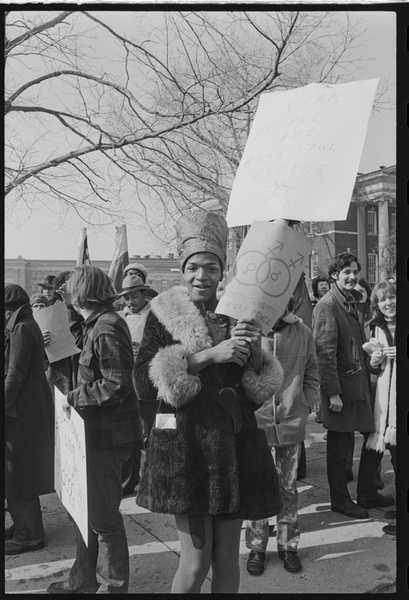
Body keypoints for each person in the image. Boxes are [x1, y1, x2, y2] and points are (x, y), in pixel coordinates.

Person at [133, 210, 284, 594]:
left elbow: (253, 390)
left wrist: (253, 352)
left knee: (226, 561)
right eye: (194, 268)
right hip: (189, 454)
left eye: (212, 268)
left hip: (233, 450)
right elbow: (142, 385)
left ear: (222, 271)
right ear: (182, 271)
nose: (203, 276)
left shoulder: (238, 313)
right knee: (196, 562)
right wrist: (206, 357)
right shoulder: (162, 316)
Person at [46, 266, 143, 594]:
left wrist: (74, 398)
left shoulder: (106, 327)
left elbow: (118, 383)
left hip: (105, 438)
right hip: (91, 436)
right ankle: (83, 581)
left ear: (82, 294)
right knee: (84, 517)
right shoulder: (96, 323)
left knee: (104, 521)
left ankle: (113, 586)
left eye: (70, 290)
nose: (66, 295)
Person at [312, 252, 393, 519]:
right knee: (339, 447)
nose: (352, 276)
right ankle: (340, 500)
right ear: (334, 275)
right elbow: (324, 352)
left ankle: (367, 492)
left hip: (357, 383)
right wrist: (332, 392)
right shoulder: (327, 305)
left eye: (355, 271)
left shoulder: (351, 302)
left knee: (372, 434)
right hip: (340, 388)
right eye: (346, 271)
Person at [245, 295, 320, 575]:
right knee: (258, 486)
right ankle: (256, 546)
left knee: (288, 488)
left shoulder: (303, 333)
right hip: (258, 424)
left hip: (291, 421)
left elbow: (312, 373)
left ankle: (288, 545)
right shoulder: (251, 332)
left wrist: (305, 402)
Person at [5, 284, 54, 555]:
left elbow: (15, 374)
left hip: (21, 410)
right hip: (23, 407)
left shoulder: (22, 328)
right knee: (14, 470)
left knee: (17, 471)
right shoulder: (23, 323)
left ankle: (30, 534)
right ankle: (23, 524)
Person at [360, 281, 396, 535]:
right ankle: (366, 494)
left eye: (392, 297)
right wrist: (375, 360)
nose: (388, 303)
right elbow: (373, 368)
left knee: (398, 452)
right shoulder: (375, 326)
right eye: (383, 300)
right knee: (377, 445)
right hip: (383, 399)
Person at [117, 274, 154, 495]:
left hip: (148, 383)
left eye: (134, 297)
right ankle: (130, 480)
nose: (130, 302)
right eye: (126, 298)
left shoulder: (155, 317)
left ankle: (149, 481)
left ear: (144, 294)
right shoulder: (120, 317)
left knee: (149, 434)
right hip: (126, 383)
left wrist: (142, 350)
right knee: (131, 433)